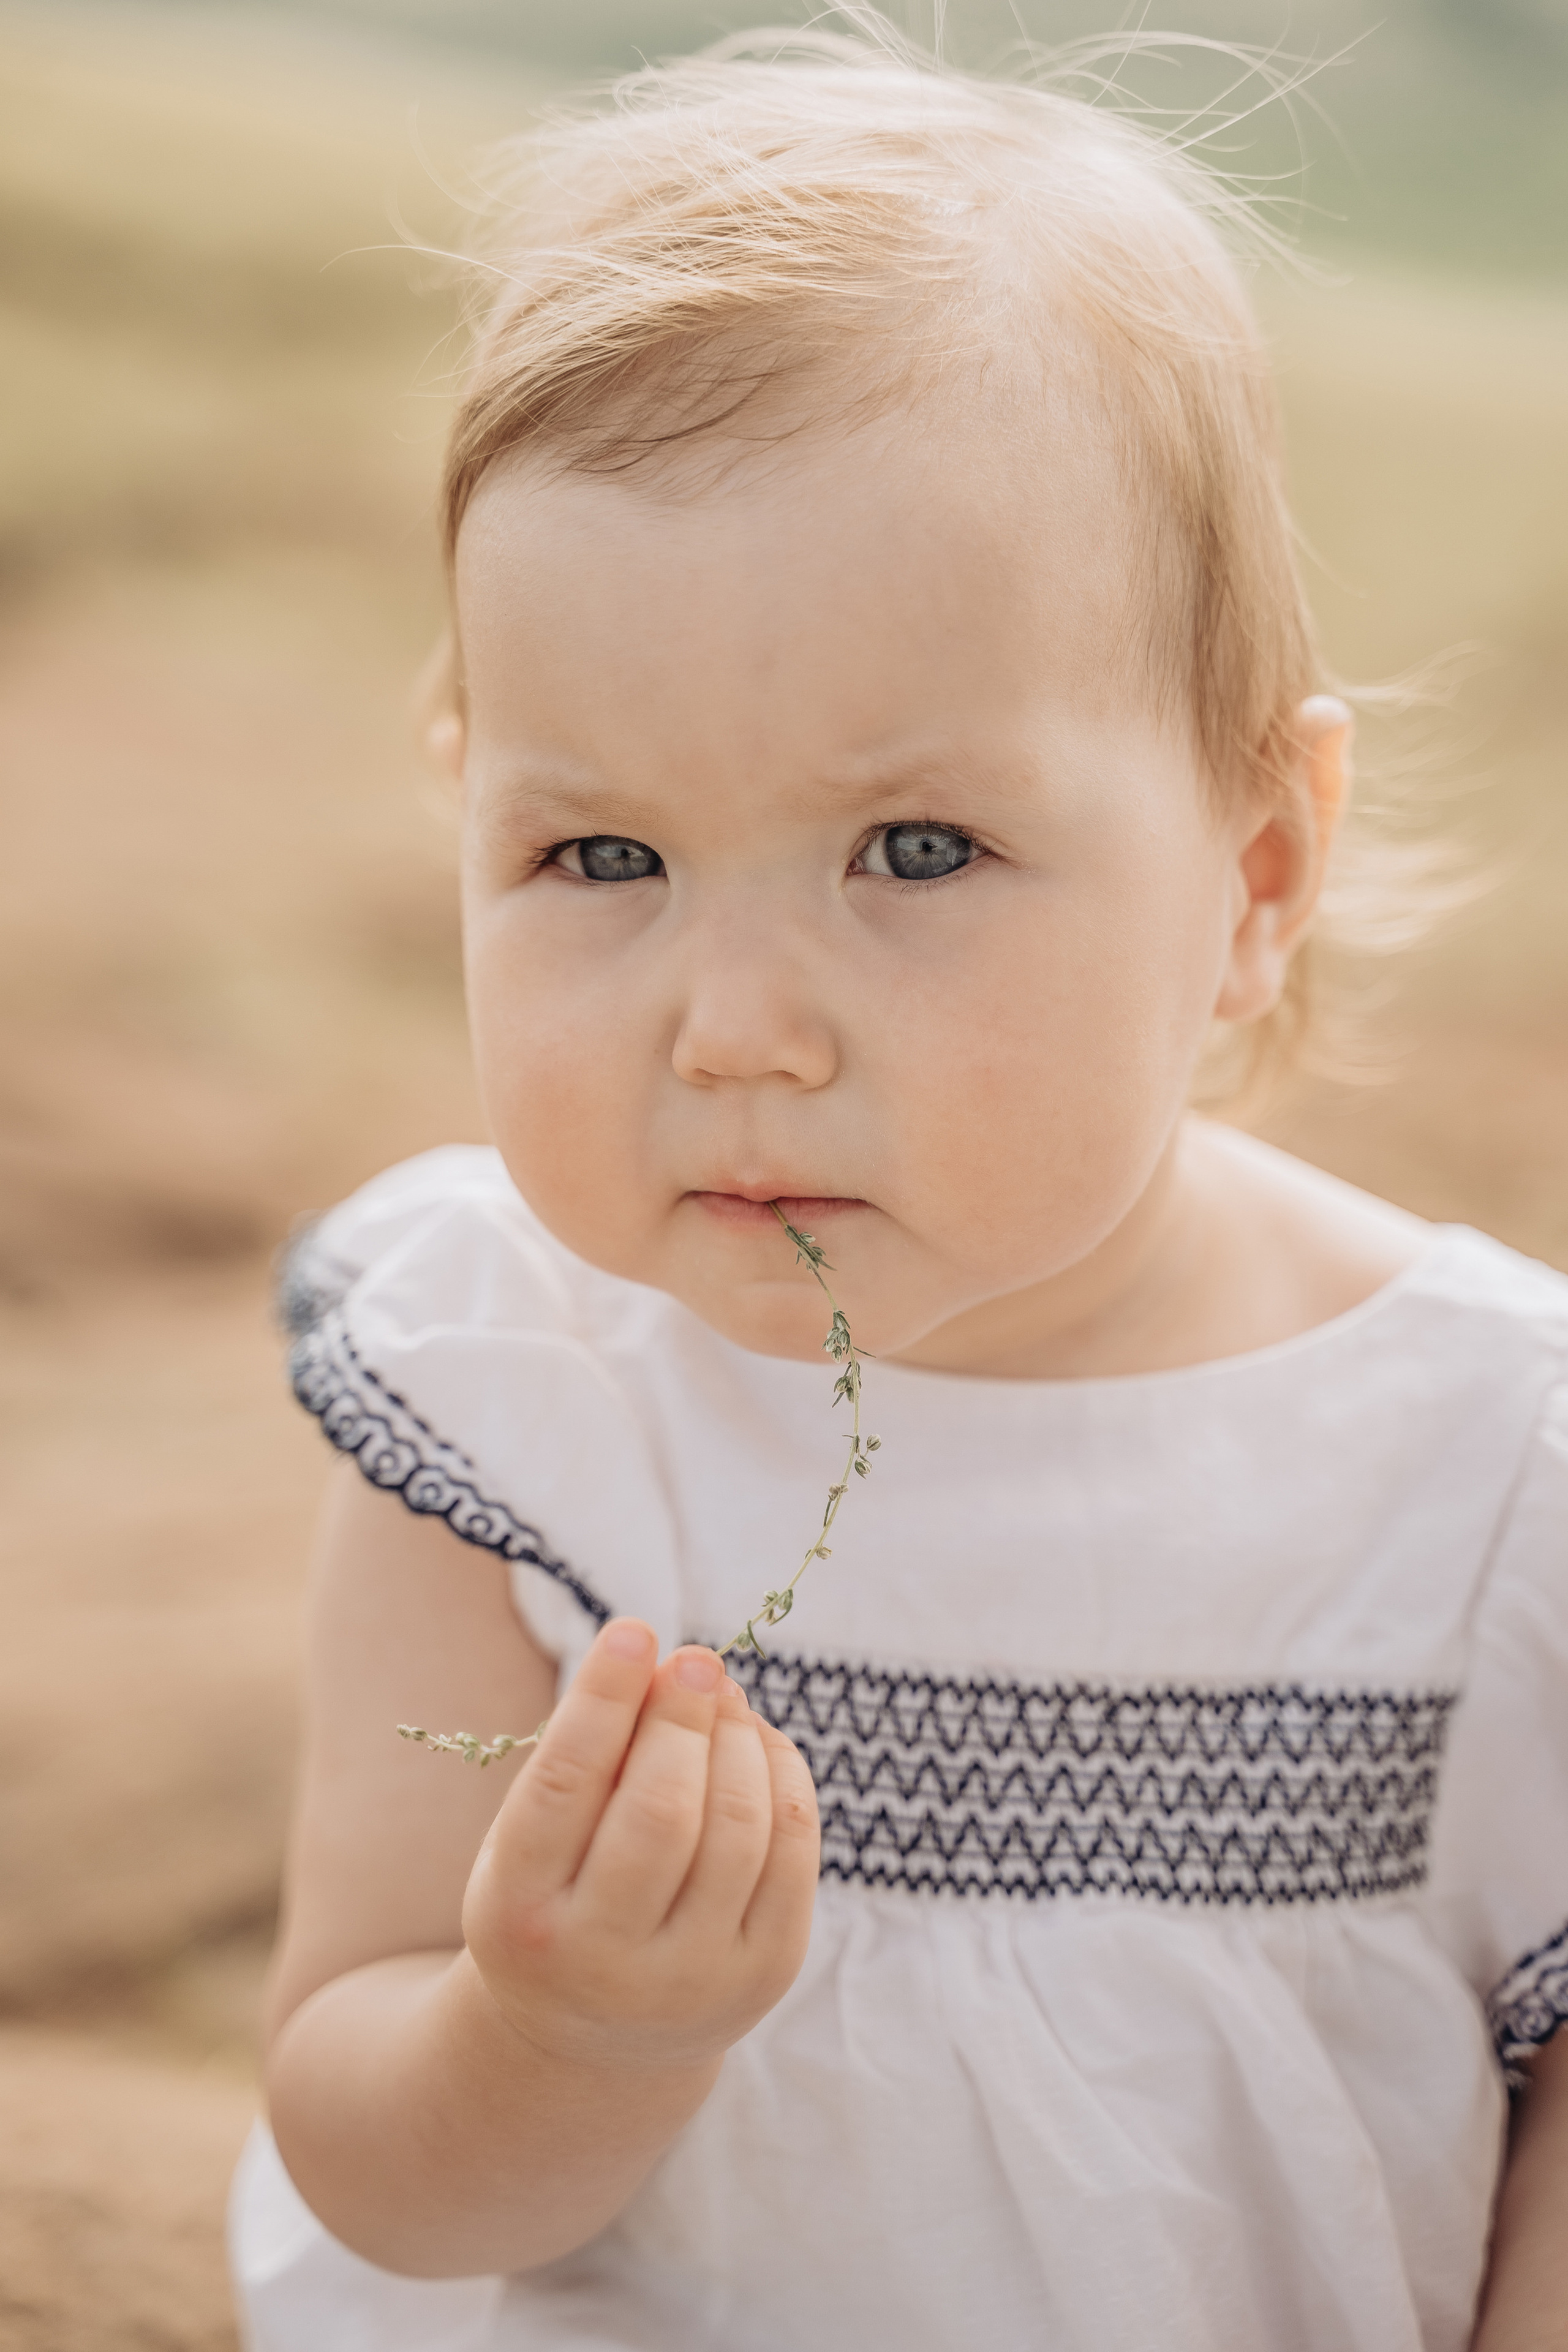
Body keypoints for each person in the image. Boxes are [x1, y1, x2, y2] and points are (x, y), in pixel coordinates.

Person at [227, 21, 1568, 2351]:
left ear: (1257, 872)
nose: (733, 1021)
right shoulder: (505, 1400)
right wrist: (557, 2041)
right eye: (598, 853)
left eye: (916, 850)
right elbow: (365, 2148)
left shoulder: (1489, 1481)